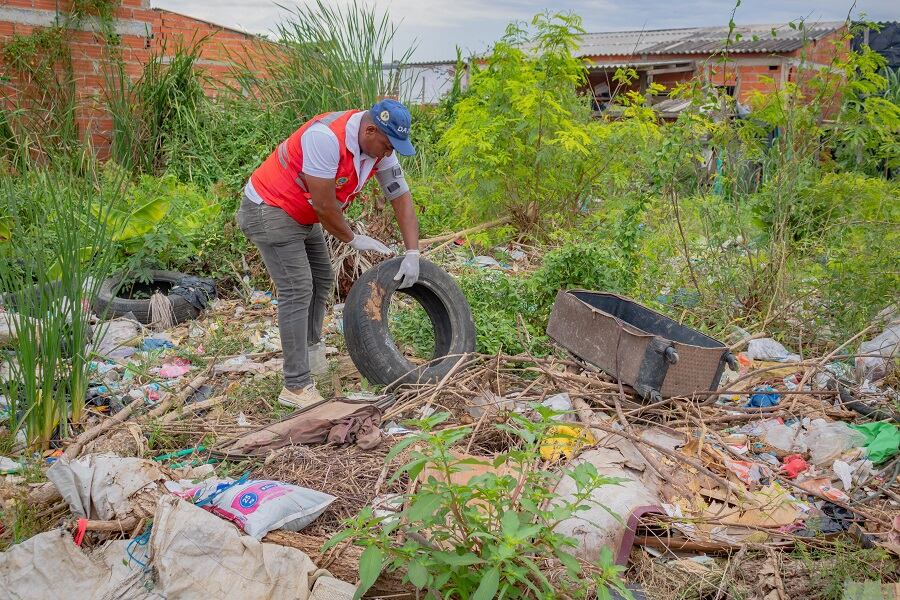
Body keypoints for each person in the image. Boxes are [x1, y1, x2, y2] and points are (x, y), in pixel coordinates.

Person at [236, 99, 421, 409]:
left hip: (302, 213)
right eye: (388, 145)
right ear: (370, 129)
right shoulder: (325, 138)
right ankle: (295, 386)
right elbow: (324, 206)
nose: (389, 153)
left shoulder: (379, 147)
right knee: (298, 288)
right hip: (270, 208)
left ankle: (310, 355)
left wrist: (413, 251)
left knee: (322, 280)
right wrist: (352, 238)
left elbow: (400, 196)